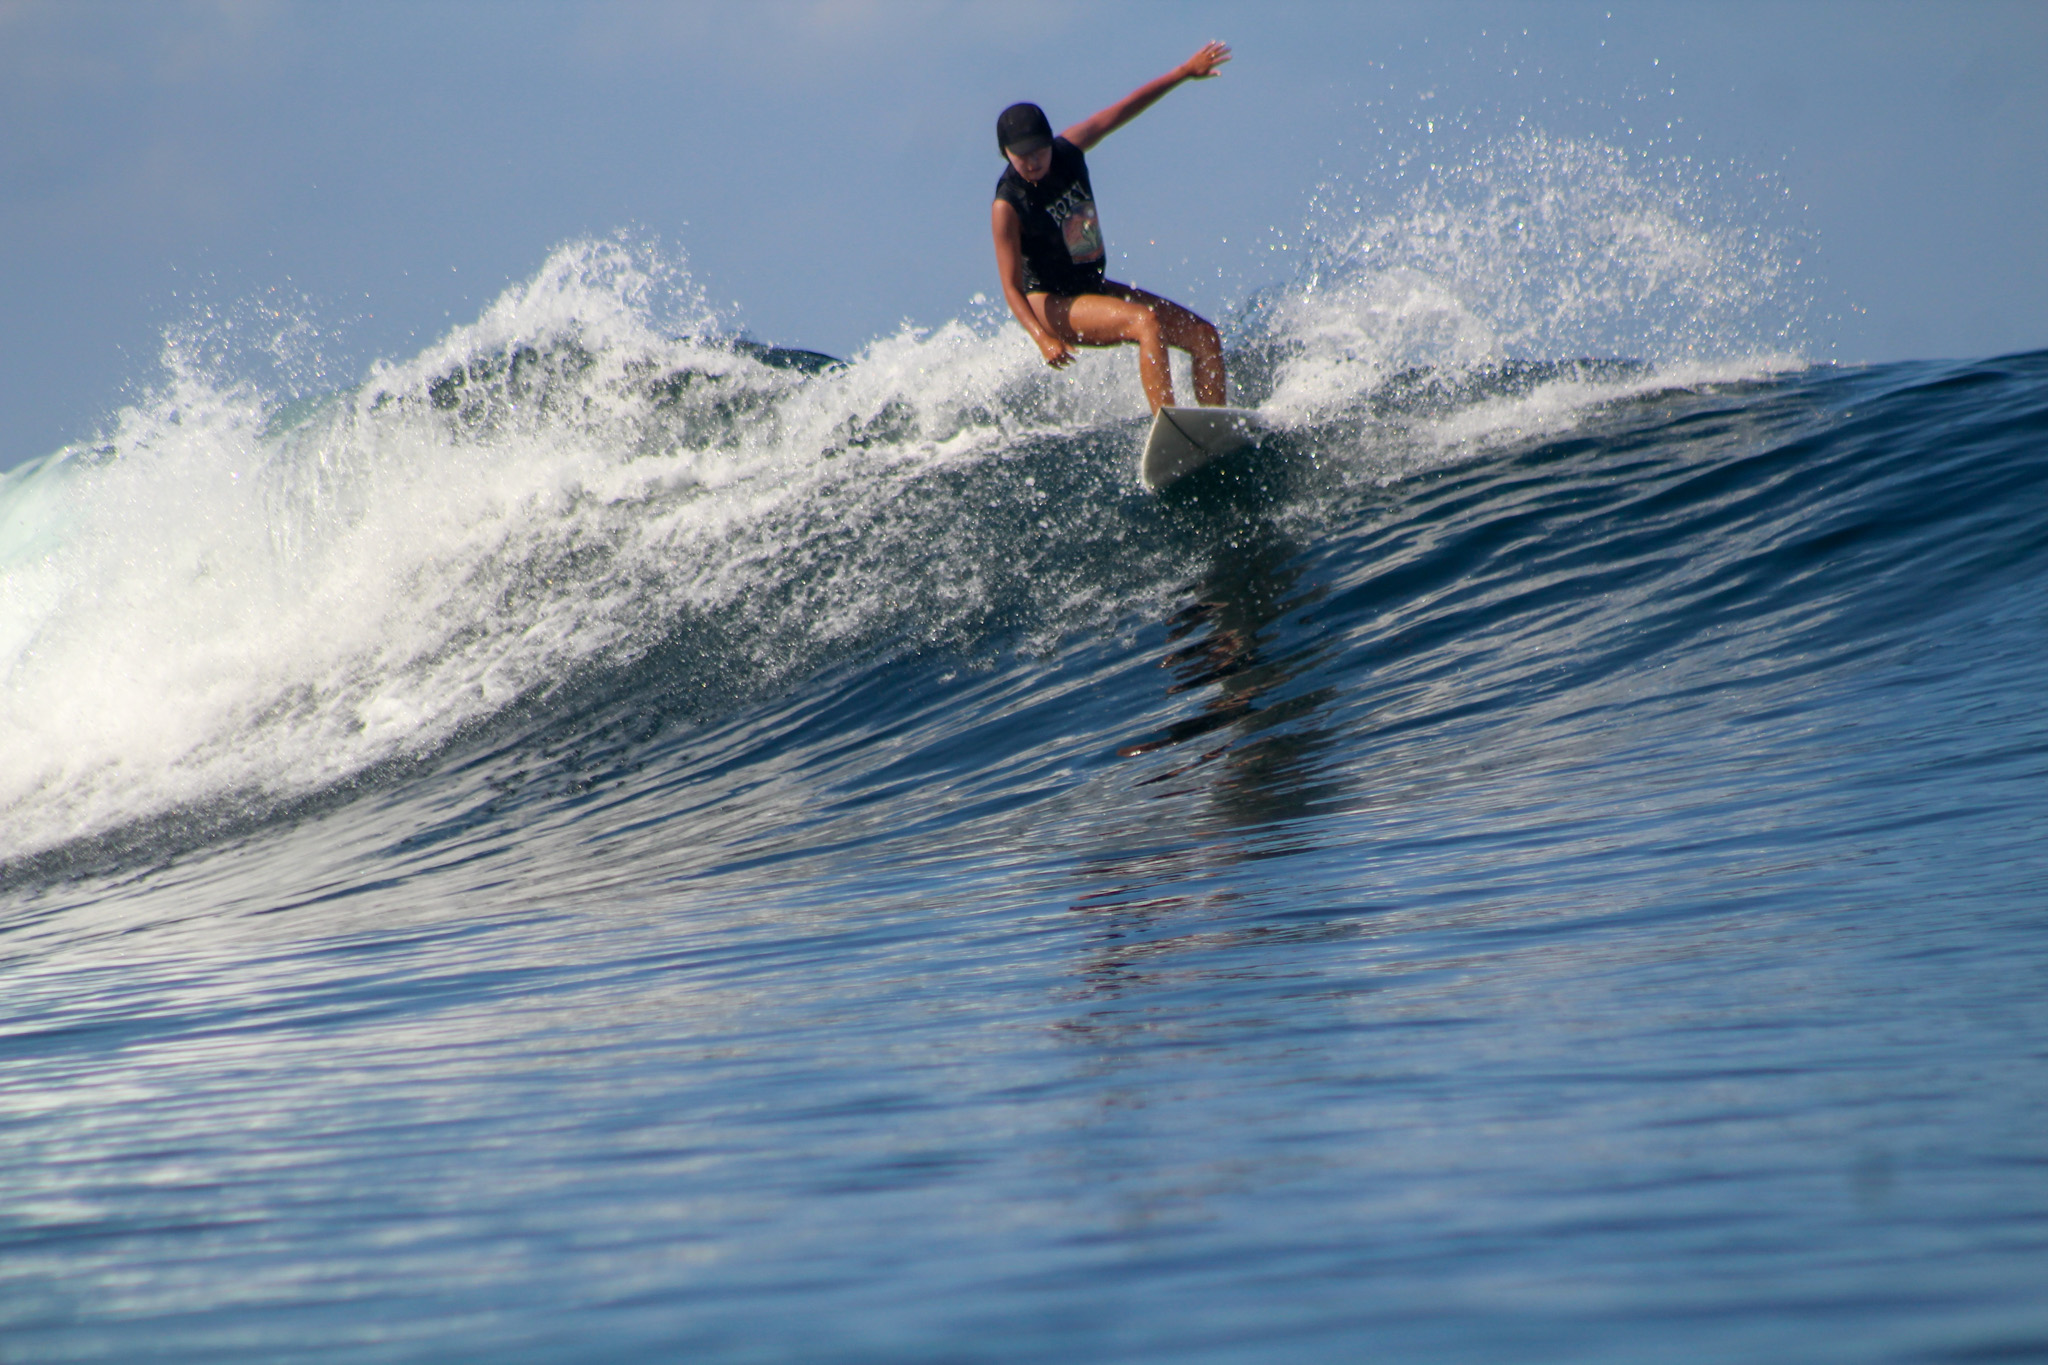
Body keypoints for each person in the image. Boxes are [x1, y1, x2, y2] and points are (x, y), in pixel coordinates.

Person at [990, 41, 1232, 414]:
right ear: (1006, 153)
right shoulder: (1007, 205)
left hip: (1091, 288)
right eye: (1021, 155)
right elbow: (1010, 288)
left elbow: (1123, 109)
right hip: (1050, 302)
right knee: (1144, 322)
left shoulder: (1069, 149)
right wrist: (1041, 338)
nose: (1033, 161)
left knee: (1203, 335)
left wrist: (1182, 73)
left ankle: (1215, 426)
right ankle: (1169, 425)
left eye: (1039, 150)